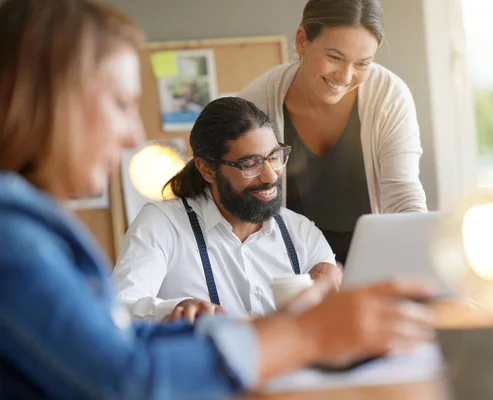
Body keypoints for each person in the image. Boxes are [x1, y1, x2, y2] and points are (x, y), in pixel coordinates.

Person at [0, 1, 434, 399]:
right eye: (120, 103)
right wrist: (304, 335)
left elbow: (113, 345)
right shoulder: (14, 242)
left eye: (274, 159)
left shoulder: (33, 229)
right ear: (46, 101)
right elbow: (127, 377)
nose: (134, 133)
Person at [113, 97, 343, 321]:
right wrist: (175, 309)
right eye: (250, 164)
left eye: (274, 157)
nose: (271, 175)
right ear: (207, 169)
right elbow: (121, 307)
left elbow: (332, 299)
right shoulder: (163, 224)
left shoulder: (300, 232)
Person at [238, 0, 428, 264]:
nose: (345, 77)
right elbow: (244, 202)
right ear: (302, 40)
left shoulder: (388, 96)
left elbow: (402, 192)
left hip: (372, 255)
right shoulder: (257, 103)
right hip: (289, 260)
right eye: (334, 57)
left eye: (362, 63)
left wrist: (423, 255)